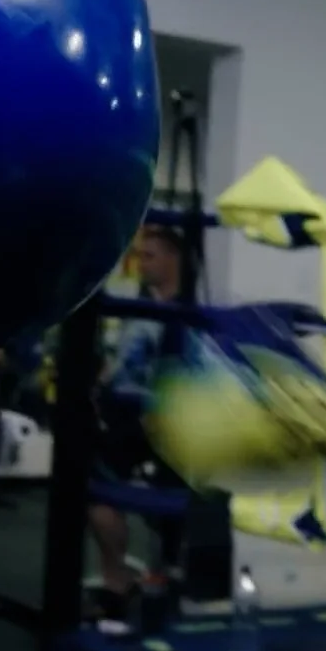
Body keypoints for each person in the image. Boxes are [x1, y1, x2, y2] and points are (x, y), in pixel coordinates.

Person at [89, 224, 191, 628]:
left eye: (149, 256)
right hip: (125, 415)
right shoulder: (135, 303)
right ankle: (117, 582)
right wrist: (98, 385)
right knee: (97, 497)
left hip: (175, 420)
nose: (142, 264)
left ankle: (161, 583)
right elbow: (122, 359)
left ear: (172, 258)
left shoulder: (193, 306)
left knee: (171, 513)